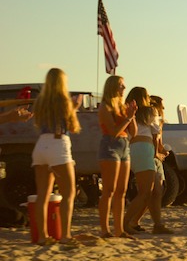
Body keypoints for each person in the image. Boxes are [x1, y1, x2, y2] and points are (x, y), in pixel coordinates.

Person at [31, 68, 84, 246]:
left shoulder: (41, 102)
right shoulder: (64, 101)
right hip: (58, 143)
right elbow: (73, 126)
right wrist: (75, 108)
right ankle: (65, 235)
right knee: (68, 193)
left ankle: (42, 236)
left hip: (41, 144)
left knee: (42, 195)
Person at [124, 87, 173, 234]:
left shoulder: (129, 113)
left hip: (134, 149)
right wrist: (158, 152)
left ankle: (157, 224)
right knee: (146, 192)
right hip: (145, 149)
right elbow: (155, 135)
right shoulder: (150, 112)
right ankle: (125, 224)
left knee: (154, 190)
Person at [97, 74, 138, 238]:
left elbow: (133, 132)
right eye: (121, 85)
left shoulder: (122, 106)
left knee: (122, 191)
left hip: (124, 145)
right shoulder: (105, 107)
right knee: (109, 189)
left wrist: (132, 115)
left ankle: (119, 229)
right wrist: (128, 117)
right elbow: (113, 131)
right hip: (110, 146)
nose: (124, 88)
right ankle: (105, 229)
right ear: (112, 87)